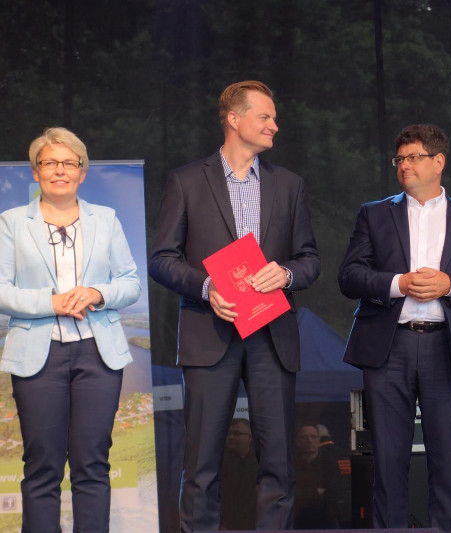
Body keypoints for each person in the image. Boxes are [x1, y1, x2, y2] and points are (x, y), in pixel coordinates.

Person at [148, 80, 320, 531]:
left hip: (272, 336)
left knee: (278, 462)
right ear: (233, 119)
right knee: (201, 463)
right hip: (210, 332)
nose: (274, 126)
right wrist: (206, 287)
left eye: (274, 118)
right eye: (265, 117)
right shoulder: (187, 180)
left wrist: (286, 274)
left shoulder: (289, 184)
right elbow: (162, 259)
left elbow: (310, 260)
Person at [339, 124, 451, 533]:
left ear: (438, 162)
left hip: (446, 348)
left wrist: (450, 284)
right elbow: (349, 276)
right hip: (388, 348)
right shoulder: (374, 213)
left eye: (414, 157)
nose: (404, 166)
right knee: (387, 461)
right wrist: (397, 283)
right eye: (399, 159)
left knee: (447, 462)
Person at [0, 127, 141, 532]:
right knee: (42, 466)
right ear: (35, 172)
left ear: (82, 172)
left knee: (92, 464)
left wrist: (98, 292)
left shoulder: (106, 219)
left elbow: (130, 283)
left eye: (69, 163)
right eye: (50, 162)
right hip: (37, 355)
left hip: (98, 354)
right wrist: (52, 302)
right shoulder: (11, 222)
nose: (59, 170)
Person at [293, 423, 348, 528]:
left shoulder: (330, 463)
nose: (309, 441)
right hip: (299, 521)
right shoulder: (292, 465)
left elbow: (336, 492)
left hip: (326, 520)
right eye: (304, 437)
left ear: (319, 440)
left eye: (313, 437)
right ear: (297, 441)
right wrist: (317, 492)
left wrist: (306, 492)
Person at [220, 419, 257, 530]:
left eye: (236, 434)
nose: (231, 437)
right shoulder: (218, 463)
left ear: (250, 437)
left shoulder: (259, 463)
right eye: (229, 434)